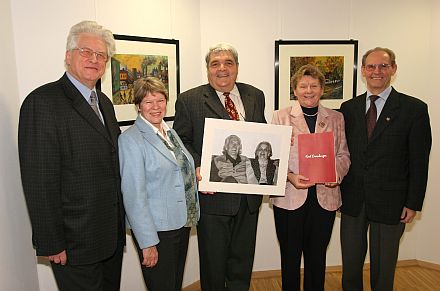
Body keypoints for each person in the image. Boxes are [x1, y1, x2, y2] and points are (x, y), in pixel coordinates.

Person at [18, 21, 125, 291]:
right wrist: (51, 242)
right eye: (85, 51)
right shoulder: (42, 103)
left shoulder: (105, 104)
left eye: (101, 55)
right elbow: (39, 180)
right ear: (68, 56)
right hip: (75, 242)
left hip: (110, 237)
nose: (94, 59)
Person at [173, 42, 266, 290]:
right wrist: (197, 167)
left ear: (236, 67)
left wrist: (277, 143)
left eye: (228, 63)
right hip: (213, 197)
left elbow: (262, 133)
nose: (222, 69)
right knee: (213, 265)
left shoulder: (255, 95)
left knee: (242, 262)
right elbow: (181, 142)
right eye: (215, 64)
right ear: (208, 69)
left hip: (249, 197)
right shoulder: (189, 100)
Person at [339, 47, 432, 291]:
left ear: (393, 69)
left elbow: (419, 161)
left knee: (383, 268)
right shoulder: (348, 108)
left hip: (392, 202)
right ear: (363, 71)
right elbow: (339, 151)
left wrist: (413, 203)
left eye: (383, 66)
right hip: (353, 200)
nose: (376, 71)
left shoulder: (414, 109)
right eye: (371, 66)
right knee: (350, 266)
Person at [271, 64, 350, 291]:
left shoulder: (336, 118)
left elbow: (343, 154)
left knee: (317, 257)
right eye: (303, 86)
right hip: (290, 197)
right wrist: (289, 176)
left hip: (325, 198)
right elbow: (271, 157)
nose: (308, 90)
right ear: (294, 90)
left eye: (314, 86)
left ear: (322, 89)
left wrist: (337, 173)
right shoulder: (281, 116)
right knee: (290, 257)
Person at [118, 77, 199, 291]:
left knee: (174, 285)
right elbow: (134, 196)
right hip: (157, 231)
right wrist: (147, 242)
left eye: (160, 100)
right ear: (138, 106)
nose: (156, 107)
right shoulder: (131, 140)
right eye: (148, 102)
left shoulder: (170, 133)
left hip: (180, 223)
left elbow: (180, 171)